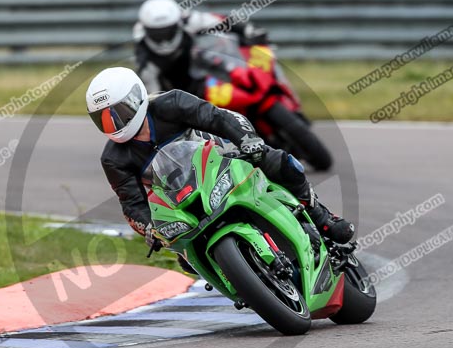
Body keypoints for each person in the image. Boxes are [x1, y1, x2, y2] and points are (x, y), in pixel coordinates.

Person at [85, 67, 354, 273]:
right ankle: (246, 281)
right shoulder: (113, 158)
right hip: (181, 200)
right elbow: (132, 204)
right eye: (104, 119)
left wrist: (248, 141)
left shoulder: (171, 103)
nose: (114, 124)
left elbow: (219, 118)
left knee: (278, 161)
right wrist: (150, 229)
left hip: (222, 158)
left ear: (136, 98)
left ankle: (321, 216)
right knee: (187, 261)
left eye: (118, 112)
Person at [133, 0, 267, 94]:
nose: (163, 40)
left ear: (177, 25)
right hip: (172, 89)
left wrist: (246, 30)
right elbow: (153, 96)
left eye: (167, 32)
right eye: (157, 34)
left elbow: (218, 21)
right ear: (146, 31)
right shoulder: (145, 58)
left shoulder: (187, 20)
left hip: (200, 72)